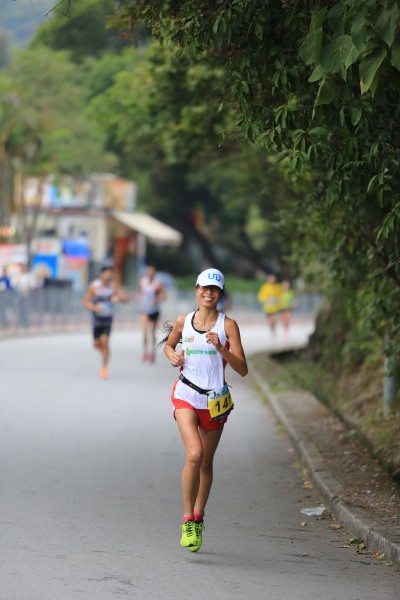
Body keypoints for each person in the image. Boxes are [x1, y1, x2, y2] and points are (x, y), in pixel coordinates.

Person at [164, 268, 248, 552]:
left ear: (220, 294)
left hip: (214, 401)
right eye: (204, 288)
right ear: (197, 290)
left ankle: (199, 517)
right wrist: (172, 355)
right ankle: (187, 519)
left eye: (214, 289)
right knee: (194, 454)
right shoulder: (183, 321)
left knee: (205, 463)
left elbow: (243, 369)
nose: (209, 293)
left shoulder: (228, 326)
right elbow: (169, 346)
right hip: (186, 393)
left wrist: (222, 348)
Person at [83, 265, 128, 379]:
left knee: (106, 341)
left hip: (108, 318)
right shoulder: (94, 286)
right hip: (97, 319)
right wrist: (94, 308)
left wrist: (118, 298)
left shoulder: (113, 286)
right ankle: (104, 353)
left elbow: (125, 299)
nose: (108, 277)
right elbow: (85, 302)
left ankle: (104, 368)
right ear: (101, 275)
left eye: (110, 275)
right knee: (97, 344)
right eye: (106, 274)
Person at [136, 265, 165, 363]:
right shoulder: (143, 282)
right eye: (149, 271)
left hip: (154, 310)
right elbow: (138, 292)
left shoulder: (157, 284)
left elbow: (163, 296)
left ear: (154, 273)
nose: (150, 273)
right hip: (144, 309)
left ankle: (152, 353)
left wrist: (157, 299)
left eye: (152, 272)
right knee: (144, 332)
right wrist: (138, 299)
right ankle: (145, 352)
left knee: (152, 333)